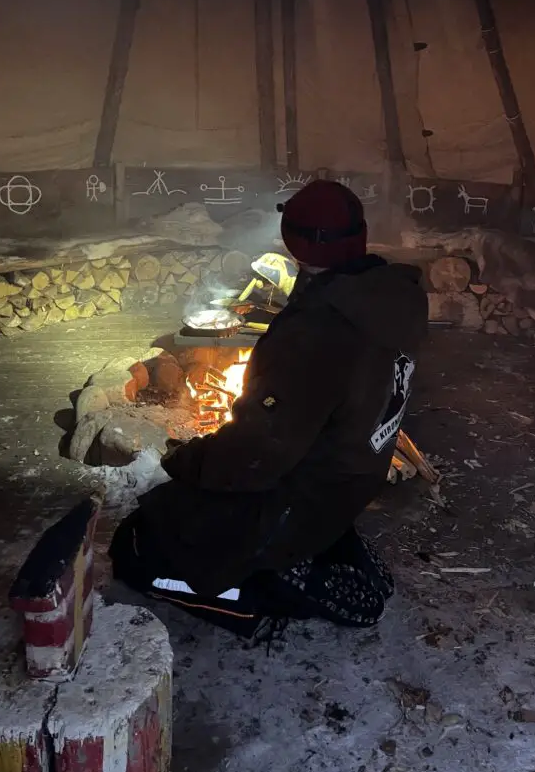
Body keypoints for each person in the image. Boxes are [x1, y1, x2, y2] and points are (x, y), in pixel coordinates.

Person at [110, 180, 428, 638]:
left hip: (299, 495)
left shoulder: (319, 332)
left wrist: (190, 461)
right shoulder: (394, 297)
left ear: (293, 240)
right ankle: (327, 549)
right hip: (354, 479)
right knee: (191, 512)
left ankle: (271, 590)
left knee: (135, 546)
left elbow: (256, 457)